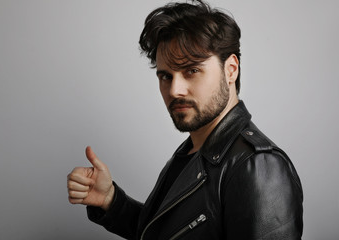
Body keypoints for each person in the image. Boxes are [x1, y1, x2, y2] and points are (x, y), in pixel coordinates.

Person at [67, 1, 303, 239]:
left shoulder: (258, 167)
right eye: (165, 76)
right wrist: (111, 201)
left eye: (192, 71)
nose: (175, 90)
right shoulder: (194, 151)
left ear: (230, 70)